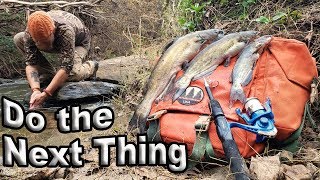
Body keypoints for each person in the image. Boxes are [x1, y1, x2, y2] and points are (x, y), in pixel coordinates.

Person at [14, 10, 98, 109]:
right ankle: (49, 73)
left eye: (46, 40)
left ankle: (92, 66)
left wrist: (46, 93)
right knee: (19, 38)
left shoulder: (65, 30)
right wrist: (35, 90)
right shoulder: (29, 33)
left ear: (53, 30)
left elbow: (66, 67)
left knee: (71, 75)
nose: (45, 45)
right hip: (57, 42)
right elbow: (31, 64)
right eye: (40, 42)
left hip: (79, 43)